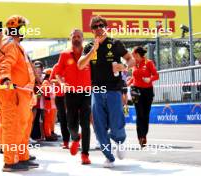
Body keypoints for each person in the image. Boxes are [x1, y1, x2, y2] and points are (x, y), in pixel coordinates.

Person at [77, 16, 135, 168]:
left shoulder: (115, 43)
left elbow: (131, 60)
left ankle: (120, 141)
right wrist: (93, 50)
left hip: (113, 90)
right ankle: (109, 157)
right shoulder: (89, 46)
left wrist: (124, 67)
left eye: (101, 25)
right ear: (92, 30)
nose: (99, 28)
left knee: (116, 124)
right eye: (95, 26)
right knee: (99, 127)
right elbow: (80, 65)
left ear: (106, 27)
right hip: (96, 90)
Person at [0, 15, 38, 172]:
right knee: (12, 127)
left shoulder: (16, 46)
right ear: (17, 29)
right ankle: (10, 162)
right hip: (13, 93)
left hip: (22, 93)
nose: (25, 32)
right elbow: (4, 64)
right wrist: (5, 79)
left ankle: (22, 157)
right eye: (23, 28)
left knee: (23, 126)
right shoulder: (10, 44)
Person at [55, 29, 91, 165]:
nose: (76, 38)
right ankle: (75, 138)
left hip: (86, 92)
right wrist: (62, 83)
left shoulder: (89, 53)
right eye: (74, 36)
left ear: (82, 38)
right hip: (70, 93)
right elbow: (58, 73)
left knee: (85, 123)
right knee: (71, 125)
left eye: (79, 36)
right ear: (70, 38)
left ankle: (85, 154)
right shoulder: (64, 54)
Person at [127, 46, 159, 147]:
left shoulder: (148, 63)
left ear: (137, 54)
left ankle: (144, 135)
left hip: (148, 91)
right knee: (139, 113)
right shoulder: (134, 63)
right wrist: (128, 82)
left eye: (133, 53)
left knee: (145, 114)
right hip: (136, 90)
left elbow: (156, 75)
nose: (132, 55)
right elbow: (134, 76)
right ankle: (140, 137)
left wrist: (150, 79)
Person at [50, 63, 70, 149]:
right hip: (59, 96)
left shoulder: (73, 65)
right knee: (63, 120)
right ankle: (66, 142)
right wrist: (61, 81)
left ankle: (75, 140)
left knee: (72, 119)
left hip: (71, 95)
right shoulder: (56, 66)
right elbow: (51, 80)